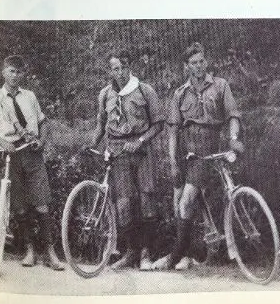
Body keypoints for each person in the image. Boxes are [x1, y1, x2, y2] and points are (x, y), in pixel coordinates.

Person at [153, 42, 243, 271]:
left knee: (187, 201)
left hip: (209, 149)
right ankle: (191, 255)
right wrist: (173, 163)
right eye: (193, 63)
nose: (199, 66)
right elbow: (173, 131)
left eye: (202, 61)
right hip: (186, 151)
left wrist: (233, 137)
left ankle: (174, 256)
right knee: (181, 204)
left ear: (206, 62)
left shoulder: (220, 86)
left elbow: (233, 115)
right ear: (186, 67)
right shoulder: (180, 93)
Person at [0, 55, 64, 270]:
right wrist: (2, 142)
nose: (15, 75)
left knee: (42, 203)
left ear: (23, 74)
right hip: (11, 154)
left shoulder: (29, 96)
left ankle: (50, 251)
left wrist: (42, 141)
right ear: (3, 72)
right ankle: (29, 250)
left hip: (32, 152)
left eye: (19, 72)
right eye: (11, 71)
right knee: (19, 207)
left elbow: (43, 122)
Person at [91, 52, 164, 270]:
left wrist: (140, 140)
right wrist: (92, 144)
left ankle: (146, 254)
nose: (120, 72)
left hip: (141, 151)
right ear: (110, 70)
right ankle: (130, 252)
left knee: (146, 200)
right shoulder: (105, 94)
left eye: (123, 67)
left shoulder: (144, 89)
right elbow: (101, 124)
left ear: (129, 66)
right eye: (115, 69)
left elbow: (158, 124)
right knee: (123, 203)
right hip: (117, 151)